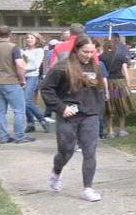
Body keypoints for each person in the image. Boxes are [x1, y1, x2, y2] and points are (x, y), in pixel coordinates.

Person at [41, 35, 106, 202]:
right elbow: (46, 89)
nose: (89, 55)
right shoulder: (62, 67)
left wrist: (99, 111)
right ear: (76, 49)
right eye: (85, 52)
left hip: (90, 115)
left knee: (90, 152)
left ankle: (87, 189)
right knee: (66, 152)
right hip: (69, 116)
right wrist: (61, 108)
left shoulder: (95, 66)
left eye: (92, 52)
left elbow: (99, 90)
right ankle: (56, 173)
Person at [0, 25, 33, 144]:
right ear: (10, 34)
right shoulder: (13, 47)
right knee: (19, 110)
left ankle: (3, 136)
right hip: (10, 81)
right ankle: (20, 136)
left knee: (0, 110)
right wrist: (22, 80)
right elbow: (20, 65)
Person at [100, 38, 135, 138]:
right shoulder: (121, 57)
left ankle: (110, 131)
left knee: (109, 107)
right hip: (119, 84)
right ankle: (122, 129)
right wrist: (128, 84)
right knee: (121, 106)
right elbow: (125, 71)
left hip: (107, 84)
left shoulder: (101, 57)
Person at [22, 33, 49, 133]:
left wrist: (22, 69)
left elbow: (36, 65)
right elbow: (22, 63)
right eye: (28, 38)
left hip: (33, 77)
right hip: (22, 77)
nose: (29, 39)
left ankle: (42, 120)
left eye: (31, 38)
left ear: (37, 40)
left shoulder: (39, 51)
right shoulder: (23, 51)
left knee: (26, 100)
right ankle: (30, 123)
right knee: (24, 102)